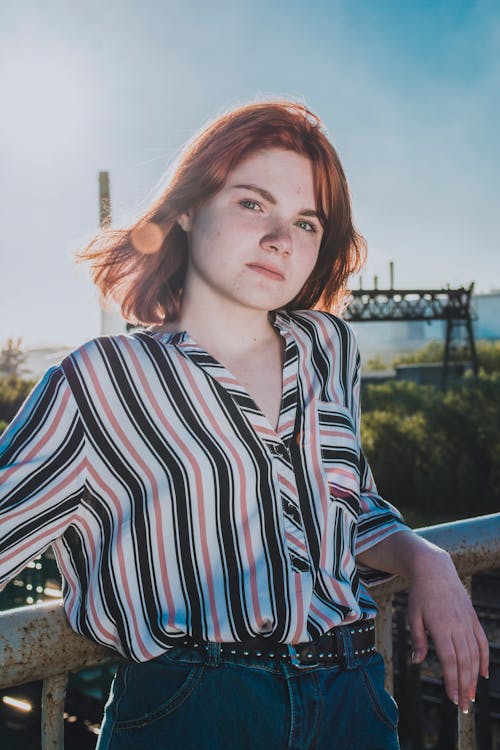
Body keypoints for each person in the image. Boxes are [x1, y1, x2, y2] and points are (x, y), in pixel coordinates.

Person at [0, 100, 489, 749]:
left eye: (307, 222)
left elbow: (341, 508)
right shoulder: (100, 379)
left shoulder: (325, 352)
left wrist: (425, 559)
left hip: (354, 694)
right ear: (186, 208)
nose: (281, 239)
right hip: (197, 707)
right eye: (253, 204)